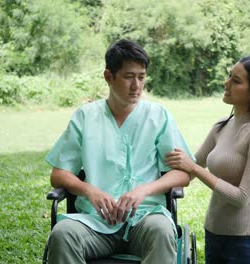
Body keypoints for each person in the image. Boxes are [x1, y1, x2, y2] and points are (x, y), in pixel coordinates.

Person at [44, 39, 193, 264]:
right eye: (128, 76)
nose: (137, 85)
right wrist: (90, 191)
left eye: (141, 77)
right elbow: (59, 174)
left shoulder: (158, 116)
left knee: (163, 230)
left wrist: (143, 191)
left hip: (145, 219)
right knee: (63, 234)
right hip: (94, 222)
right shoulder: (85, 117)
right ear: (108, 76)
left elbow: (183, 173)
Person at [166, 56, 250, 263]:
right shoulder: (221, 126)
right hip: (213, 234)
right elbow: (189, 169)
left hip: (245, 242)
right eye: (229, 76)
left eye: (236, 81)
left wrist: (196, 169)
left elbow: (241, 198)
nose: (226, 83)